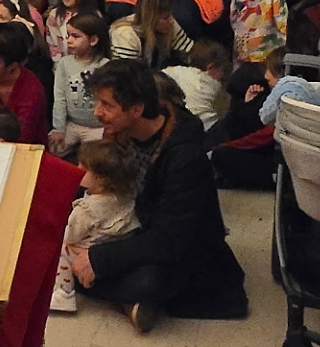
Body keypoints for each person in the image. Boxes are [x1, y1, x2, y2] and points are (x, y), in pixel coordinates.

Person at [68, 59, 248, 332]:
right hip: (126, 224)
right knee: (60, 244)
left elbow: (169, 239)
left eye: (107, 105)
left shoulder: (184, 155)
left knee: (148, 282)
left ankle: (123, 296)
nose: (97, 112)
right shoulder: (120, 131)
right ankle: (126, 301)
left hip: (172, 243)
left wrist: (99, 257)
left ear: (137, 110)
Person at [50, 138, 141, 313]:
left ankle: (64, 294)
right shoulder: (125, 197)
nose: (77, 169)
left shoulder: (86, 209)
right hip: (114, 248)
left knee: (58, 250)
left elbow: (70, 236)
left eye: (84, 168)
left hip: (89, 251)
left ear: (102, 180)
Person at [50, 11, 110, 157]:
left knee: (95, 158)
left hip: (97, 126)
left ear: (93, 40)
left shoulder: (104, 65)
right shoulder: (64, 63)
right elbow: (60, 97)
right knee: (52, 149)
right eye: (68, 36)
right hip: (72, 123)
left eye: (75, 36)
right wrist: (58, 128)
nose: (69, 41)